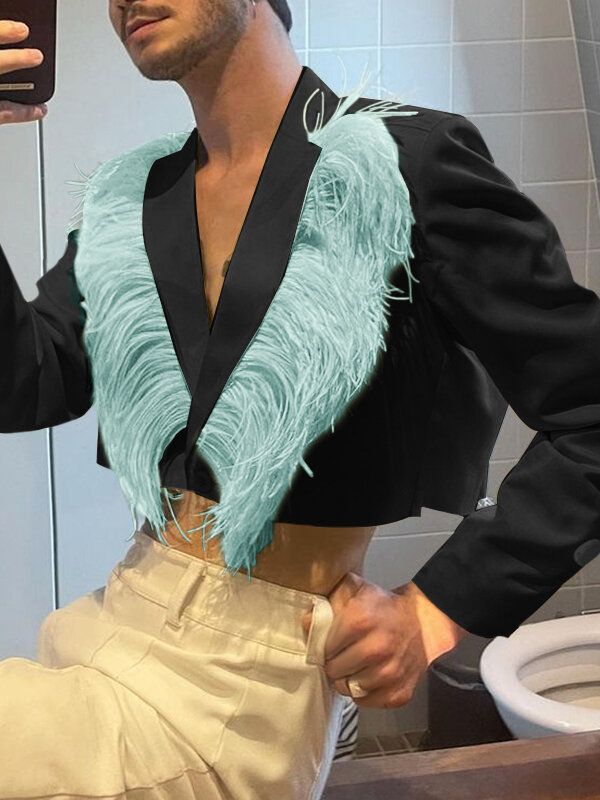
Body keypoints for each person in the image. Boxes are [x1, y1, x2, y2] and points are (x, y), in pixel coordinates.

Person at [1, 0, 600, 798]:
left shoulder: (401, 164)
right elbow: (28, 381)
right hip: (116, 613)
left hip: (239, 688)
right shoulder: (135, 198)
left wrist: (435, 610)